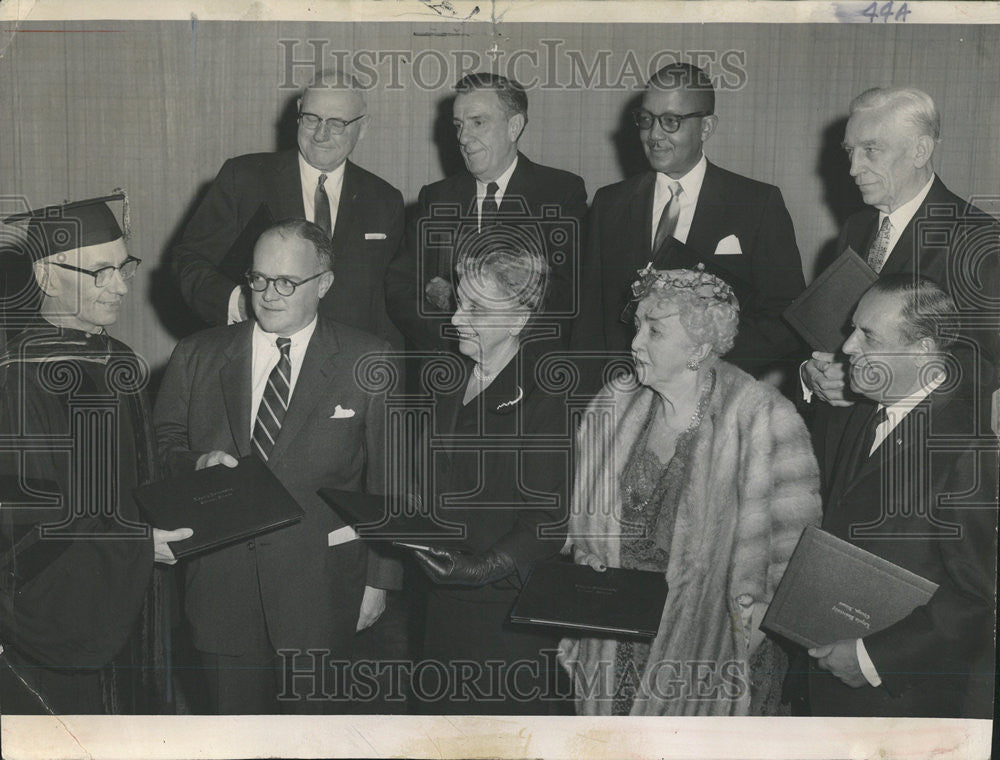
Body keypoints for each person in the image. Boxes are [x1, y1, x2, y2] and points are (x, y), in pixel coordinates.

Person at [154, 218, 400, 714]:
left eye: (287, 282)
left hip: (323, 589)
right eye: (259, 279)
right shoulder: (198, 354)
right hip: (221, 588)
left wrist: (379, 581)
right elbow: (160, 445)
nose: (268, 294)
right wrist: (194, 461)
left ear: (324, 284)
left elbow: (390, 483)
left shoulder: (369, 359)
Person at [559, 265, 821, 716]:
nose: (635, 341)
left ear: (699, 348)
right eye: (638, 325)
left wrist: (744, 638)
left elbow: (792, 561)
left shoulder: (760, 418)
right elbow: (577, 525)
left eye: (654, 331)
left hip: (710, 655)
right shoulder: (613, 402)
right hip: (613, 643)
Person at [0, 194, 189, 714]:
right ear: (45, 275)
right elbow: (25, 533)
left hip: (127, 599)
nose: (123, 286)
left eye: (124, 265)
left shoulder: (114, 359)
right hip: (67, 621)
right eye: (100, 272)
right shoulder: (18, 378)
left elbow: (135, 474)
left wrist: (194, 472)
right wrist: (135, 548)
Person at [805, 276, 997, 718]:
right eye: (854, 328)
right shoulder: (864, 408)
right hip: (832, 680)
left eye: (868, 335)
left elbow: (980, 598)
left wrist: (874, 660)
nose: (848, 346)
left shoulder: (969, 449)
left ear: (923, 350)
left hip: (902, 704)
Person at [407, 246, 570, 714]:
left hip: (505, 611)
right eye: (459, 302)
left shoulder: (544, 394)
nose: (457, 318)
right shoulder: (448, 375)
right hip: (441, 598)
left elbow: (547, 521)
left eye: (475, 308)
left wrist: (481, 568)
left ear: (520, 318)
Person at [572, 62, 806, 379]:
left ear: (706, 127)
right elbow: (589, 322)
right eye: (645, 120)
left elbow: (786, 318)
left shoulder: (756, 204)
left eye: (671, 121)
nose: (654, 134)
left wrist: (697, 362)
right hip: (622, 397)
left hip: (713, 397)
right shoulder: (610, 203)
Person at [171, 69, 405, 348]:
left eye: (337, 123)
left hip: (347, 370)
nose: (321, 134)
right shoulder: (243, 178)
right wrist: (241, 303)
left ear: (363, 127)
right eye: (311, 119)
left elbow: (389, 306)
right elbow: (189, 261)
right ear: (298, 112)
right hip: (259, 354)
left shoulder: (384, 200)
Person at [802, 86, 999, 412]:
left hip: (913, 449)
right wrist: (811, 374)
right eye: (850, 150)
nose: (853, 168)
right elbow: (835, 335)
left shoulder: (979, 240)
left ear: (921, 150)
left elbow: (986, 368)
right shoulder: (856, 228)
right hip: (844, 444)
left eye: (871, 150)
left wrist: (868, 382)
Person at [385, 72, 587, 353]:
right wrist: (458, 338)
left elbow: (564, 291)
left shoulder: (559, 192)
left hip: (524, 367)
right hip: (448, 366)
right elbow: (400, 287)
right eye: (458, 125)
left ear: (514, 127)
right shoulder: (436, 197)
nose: (464, 137)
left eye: (478, 123)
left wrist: (458, 299)